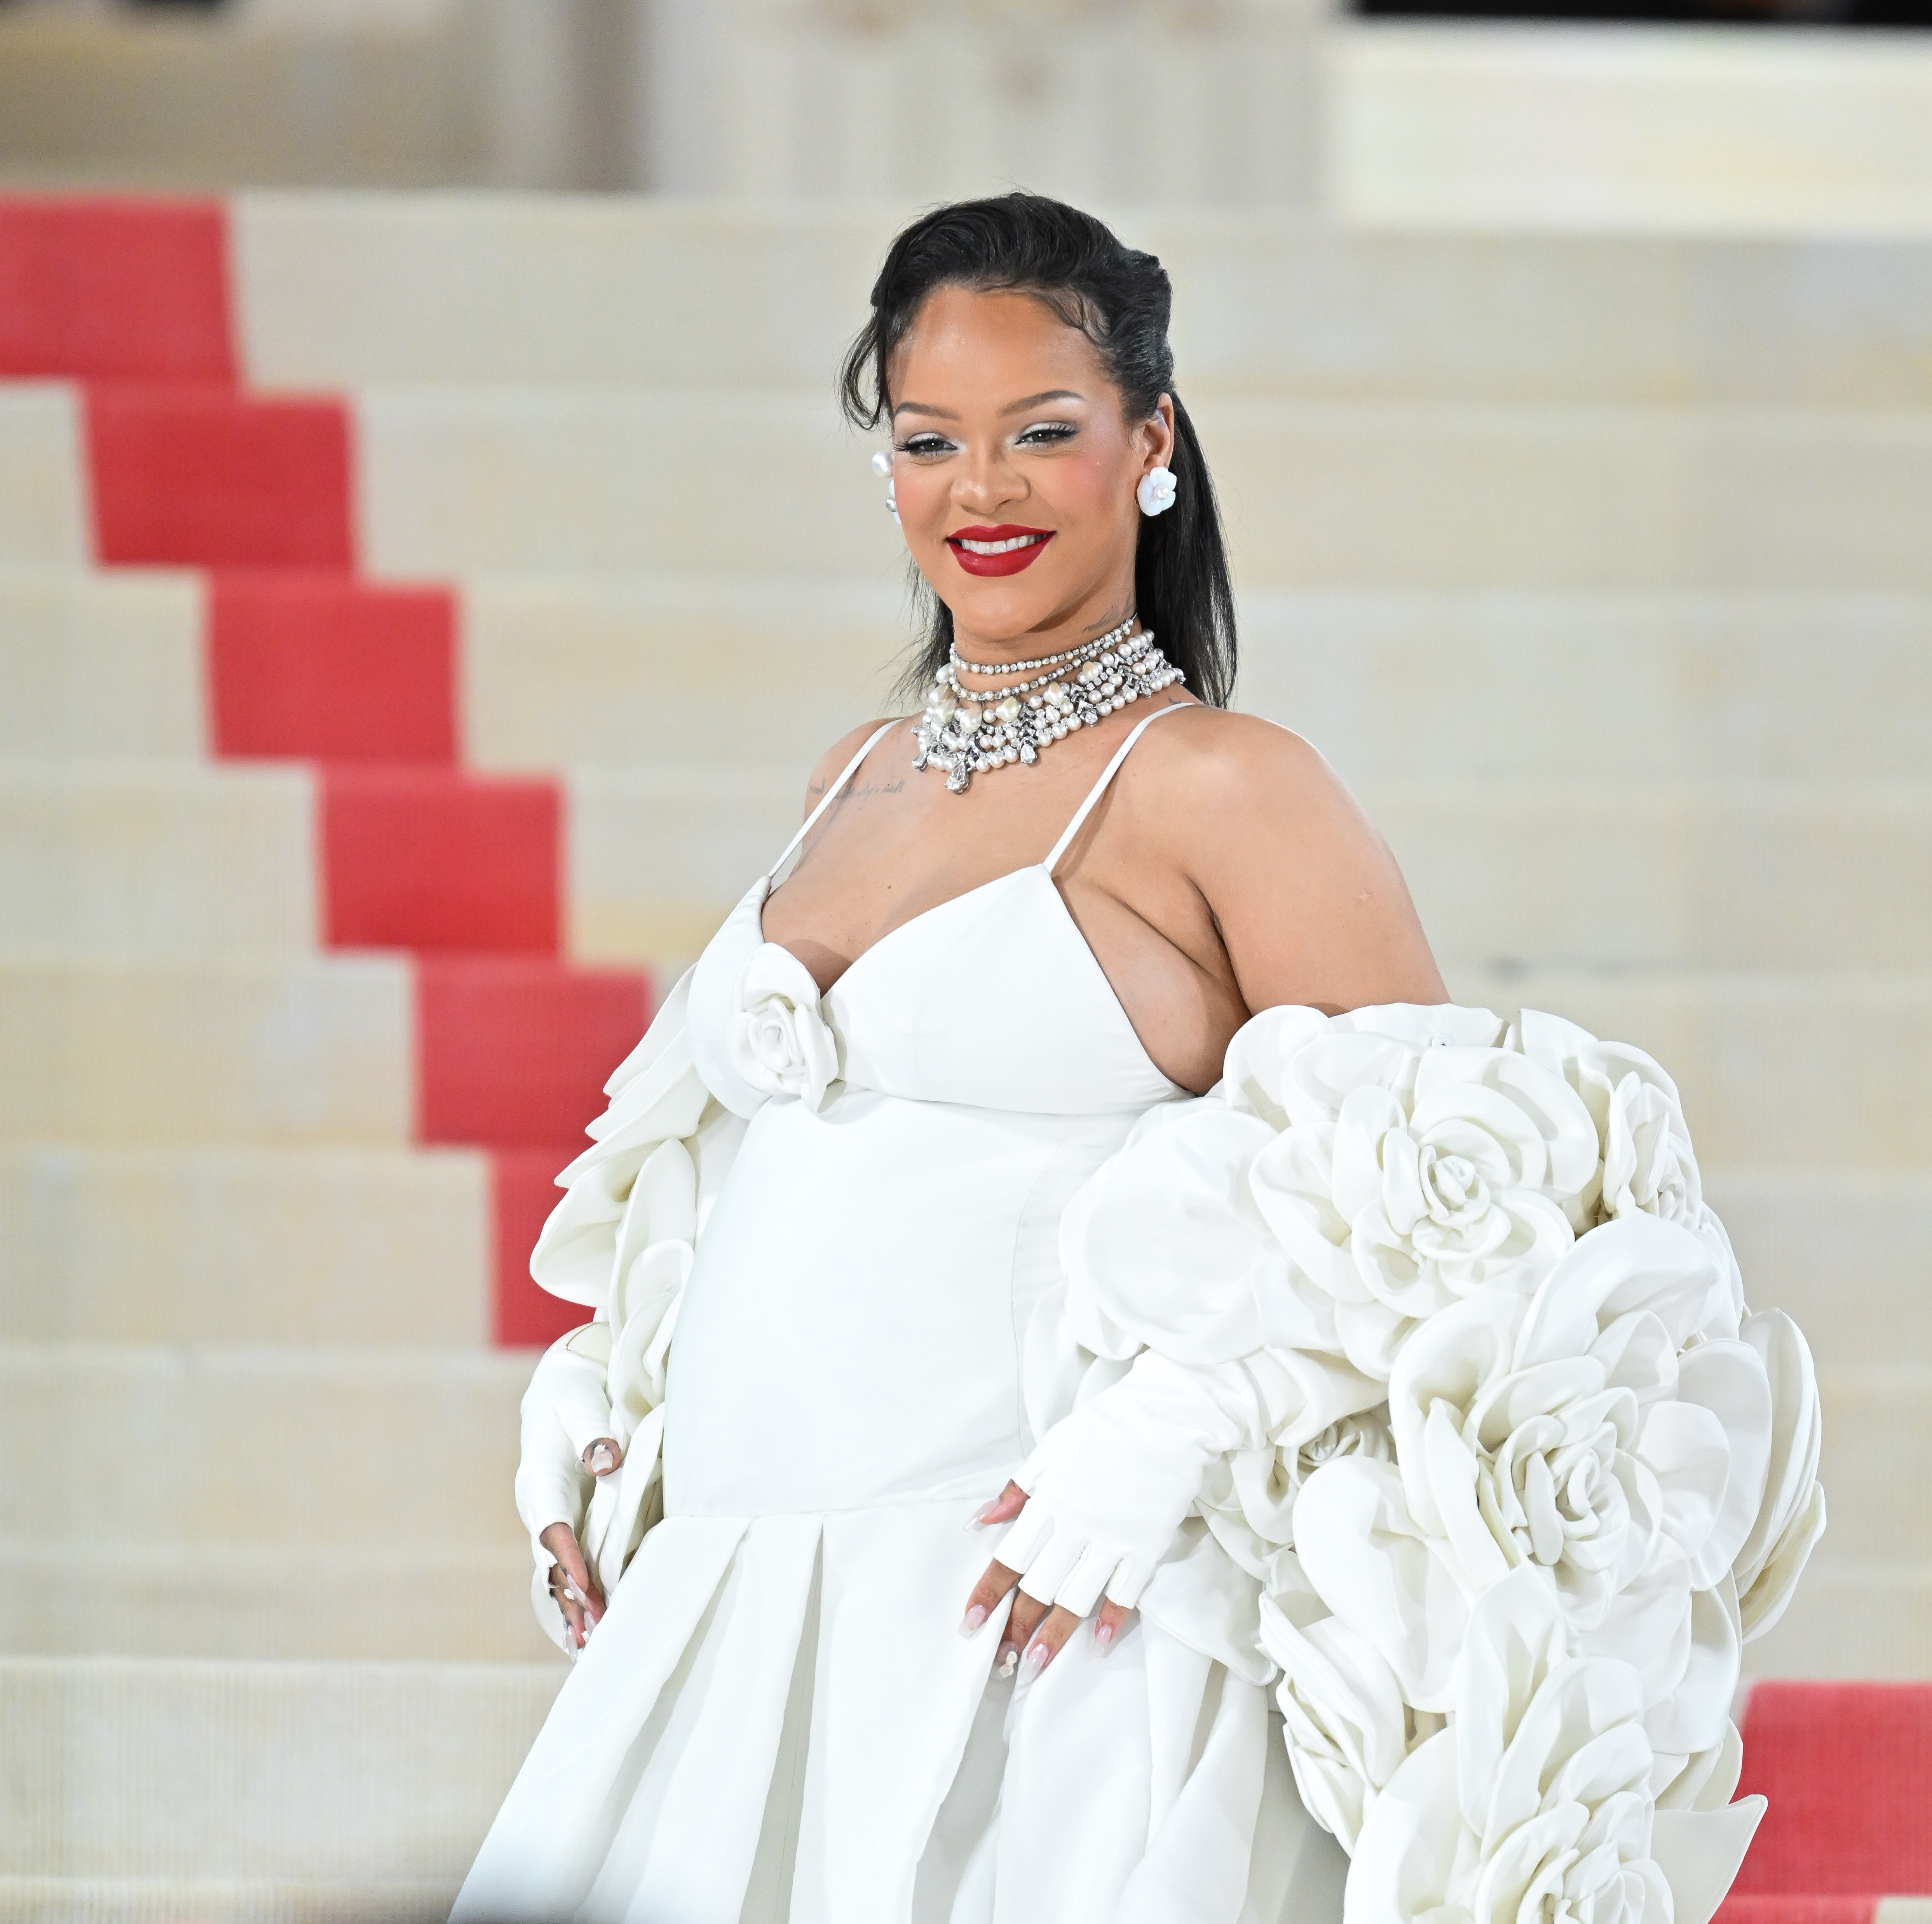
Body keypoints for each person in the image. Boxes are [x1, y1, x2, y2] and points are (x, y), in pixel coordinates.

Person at [453, 191, 1446, 1924]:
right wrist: (611, 1396)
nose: (979, 489)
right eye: (931, 440)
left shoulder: (1223, 785)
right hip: (749, 1607)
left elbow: (1440, 1188)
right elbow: (766, 1151)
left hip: (1039, 1627)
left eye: (1041, 434)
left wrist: (1184, 1421)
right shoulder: (854, 771)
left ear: (1150, 443)